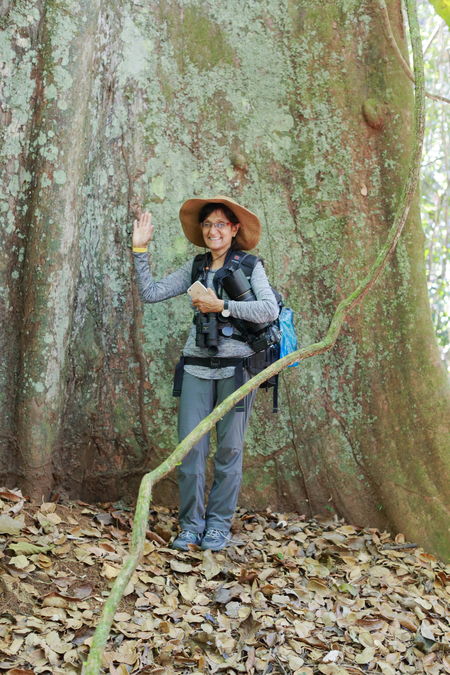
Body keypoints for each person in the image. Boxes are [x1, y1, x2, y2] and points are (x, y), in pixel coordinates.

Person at [132, 196, 279, 551]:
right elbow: (151, 293)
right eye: (208, 224)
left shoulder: (250, 266)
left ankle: (217, 526)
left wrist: (222, 306)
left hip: (237, 371)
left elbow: (269, 309)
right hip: (196, 368)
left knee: (229, 451)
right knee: (190, 450)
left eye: (221, 224)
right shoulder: (197, 266)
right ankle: (191, 526)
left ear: (234, 229)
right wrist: (140, 249)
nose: (214, 231)